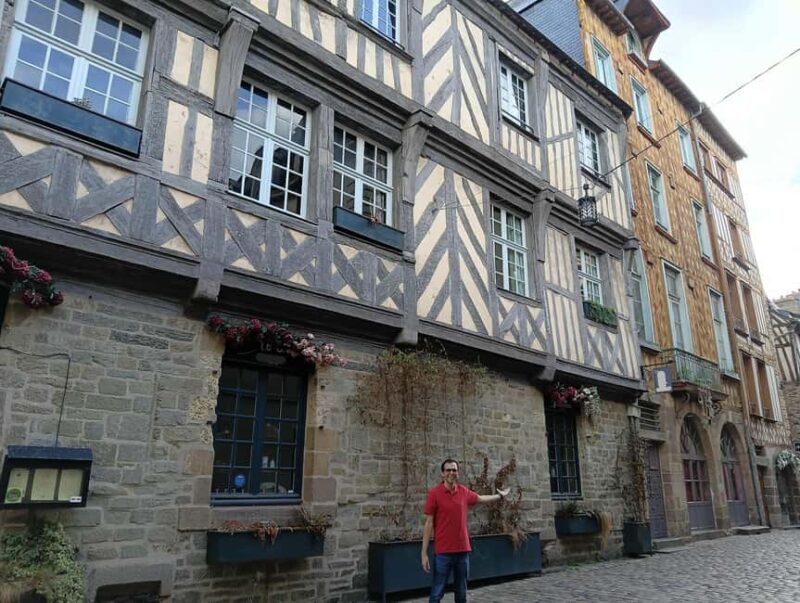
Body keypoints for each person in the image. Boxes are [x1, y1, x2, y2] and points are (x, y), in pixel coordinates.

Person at [421, 458, 509, 603]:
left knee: (461, 593)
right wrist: (423, 553)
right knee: (437, 593)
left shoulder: (463, 492)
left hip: (462, 552)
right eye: (448, 470)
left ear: (458, 473)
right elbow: (428, 523)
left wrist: (499, 496)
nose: (451, 473)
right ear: (443, 474)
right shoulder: (434, 494)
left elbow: (480, 498)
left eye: (454, 470)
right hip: (443, 552)